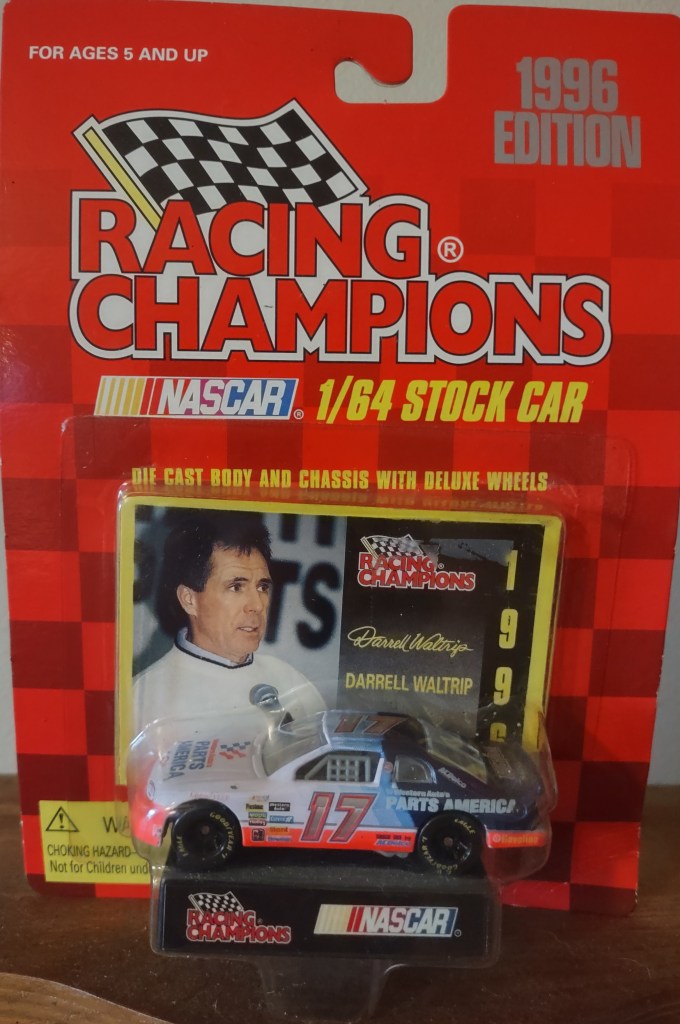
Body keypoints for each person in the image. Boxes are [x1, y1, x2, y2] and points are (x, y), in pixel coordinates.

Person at [133, 511, 326, 735]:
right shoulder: (145, 697)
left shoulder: (290, 681)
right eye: (236, 587)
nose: (257, 605)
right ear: (189, 600)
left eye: (262, 587)